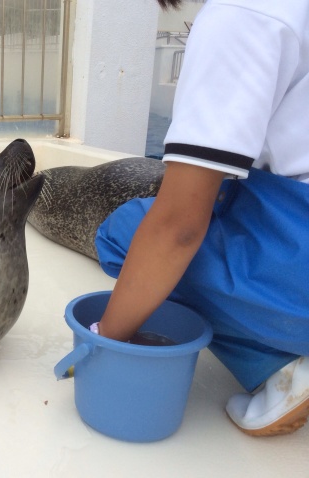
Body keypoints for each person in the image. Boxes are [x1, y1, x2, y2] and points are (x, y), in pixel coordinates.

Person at [93, 0, 309, 436]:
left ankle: (281, 366)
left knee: (126, 232)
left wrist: (102, 345)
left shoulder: (239, 14)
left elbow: (179, 228)